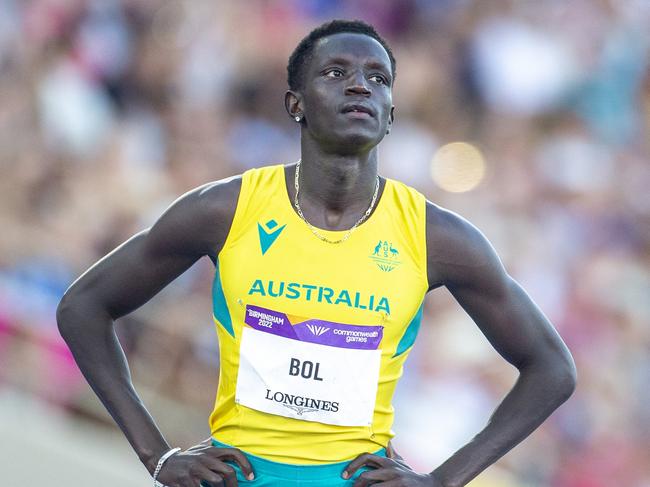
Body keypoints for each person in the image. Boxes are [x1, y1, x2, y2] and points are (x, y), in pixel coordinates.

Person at [57, 19, 577, 487]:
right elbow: (83, 307)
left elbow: (551, 368)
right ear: (295, 104)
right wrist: (158, 455)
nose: (360, 85)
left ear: (391, 113)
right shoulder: (227, 209)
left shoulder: (435, 237)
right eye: (336, 72)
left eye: (379, 79)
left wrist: (441, 481)